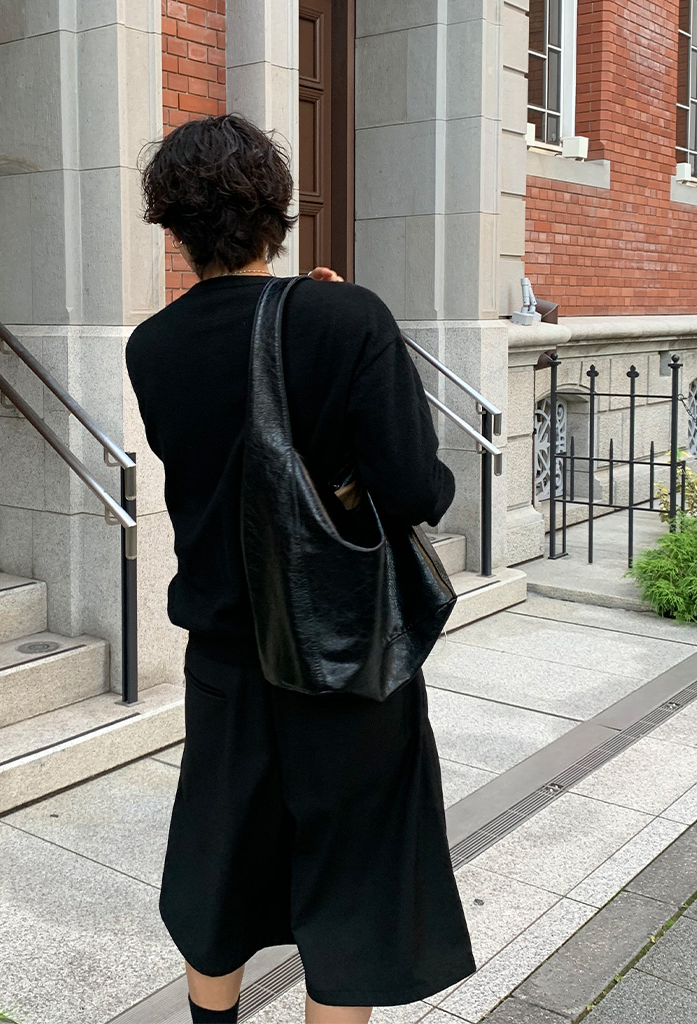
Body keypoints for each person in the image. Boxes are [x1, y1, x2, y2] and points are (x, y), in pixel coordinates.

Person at [126, 114, 475, 1024]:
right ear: (278, 216)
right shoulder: (344, 316)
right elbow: (415, 488)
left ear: (173, 227)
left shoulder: (149, 346)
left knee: (220, 861)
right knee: (354, 875)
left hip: (225, 653)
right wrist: (355, 337)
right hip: (343, 651)